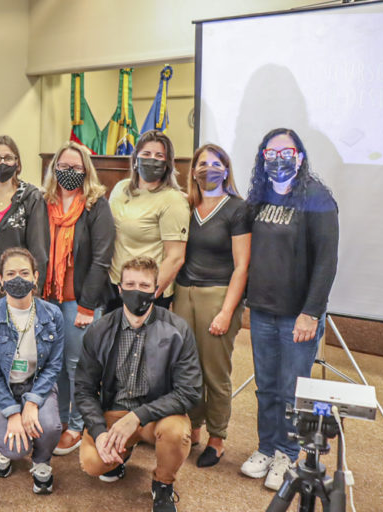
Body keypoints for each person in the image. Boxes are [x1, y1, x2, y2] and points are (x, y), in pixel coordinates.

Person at [239, 128, 338, 491]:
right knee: (266, 387)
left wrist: (311, 312)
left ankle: (287, 453)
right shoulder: (260, 196)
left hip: (299, 314)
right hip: (264, 310)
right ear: (263, 156)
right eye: (271, 151)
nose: (278, 157)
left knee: (291, 389)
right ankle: (266, 447)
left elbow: (327, 261)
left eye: (286, 150)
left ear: (299, 155)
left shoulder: (316, 197)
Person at [75, 256, 201, 512]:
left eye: (144, 286)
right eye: (130, 285)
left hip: (159, 413)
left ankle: (163, 484)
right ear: (119, 290)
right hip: (115, 410)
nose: (136, 291)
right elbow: (84, 389)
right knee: (92, 463)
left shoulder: (178, 329)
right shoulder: (99, 330)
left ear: (157, 290)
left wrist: (138, 416)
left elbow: (189, 391)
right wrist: (99, 432)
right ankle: (121, 454)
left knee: (176, 433)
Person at [0, 135, 50, 456]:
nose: (2, 163)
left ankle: (24, 427)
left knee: (21, 365)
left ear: (18, 162)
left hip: (20, 296)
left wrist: (33, 296)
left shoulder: (32, 198)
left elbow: (39, 251)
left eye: (8, 157)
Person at [172, 144, 251, 468]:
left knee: (215, 373)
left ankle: (217, 438)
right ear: (193, 172)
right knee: (186, 370)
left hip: (218, 296)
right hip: (182, 294)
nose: (208, 169)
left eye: (216, 164)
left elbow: (242, 266)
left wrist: (227, 311)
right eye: (202, 164)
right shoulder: (186, 205)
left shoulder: (237, 208)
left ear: (226, 169)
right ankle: (193, 428)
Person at [41, 141, 115, 455]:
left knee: (78, 367)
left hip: (79, 301)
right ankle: (58, 420)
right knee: (54, 366)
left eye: (75, 168)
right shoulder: (42, 201)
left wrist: (87, 305)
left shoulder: (96, 204)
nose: (68, 172)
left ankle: (77, 424)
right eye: (63, 166)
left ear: (85, 170)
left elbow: (102, 258)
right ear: (54, 168)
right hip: (48, 299)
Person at [0, 247, 64, 494]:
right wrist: (13, 413)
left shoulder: (52, 315)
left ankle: (42, 462)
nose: (18, 279)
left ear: (36, 277)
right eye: (11, 273)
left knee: (50, 427)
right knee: (16, 449)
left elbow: (54, 365)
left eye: (25, 273)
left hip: (36, 386)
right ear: (1, 280)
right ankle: (1, 448)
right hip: (0, 389)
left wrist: (33, 402)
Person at [108, 130, 189, 310]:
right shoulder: (120, 189)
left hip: (145, 291)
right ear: (136, 158)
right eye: (146, 154)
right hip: (116, 285)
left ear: (167, 163)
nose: (152, 159)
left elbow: (175, 257)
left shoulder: (172, 199)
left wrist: (149, 295)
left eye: (159, 156)